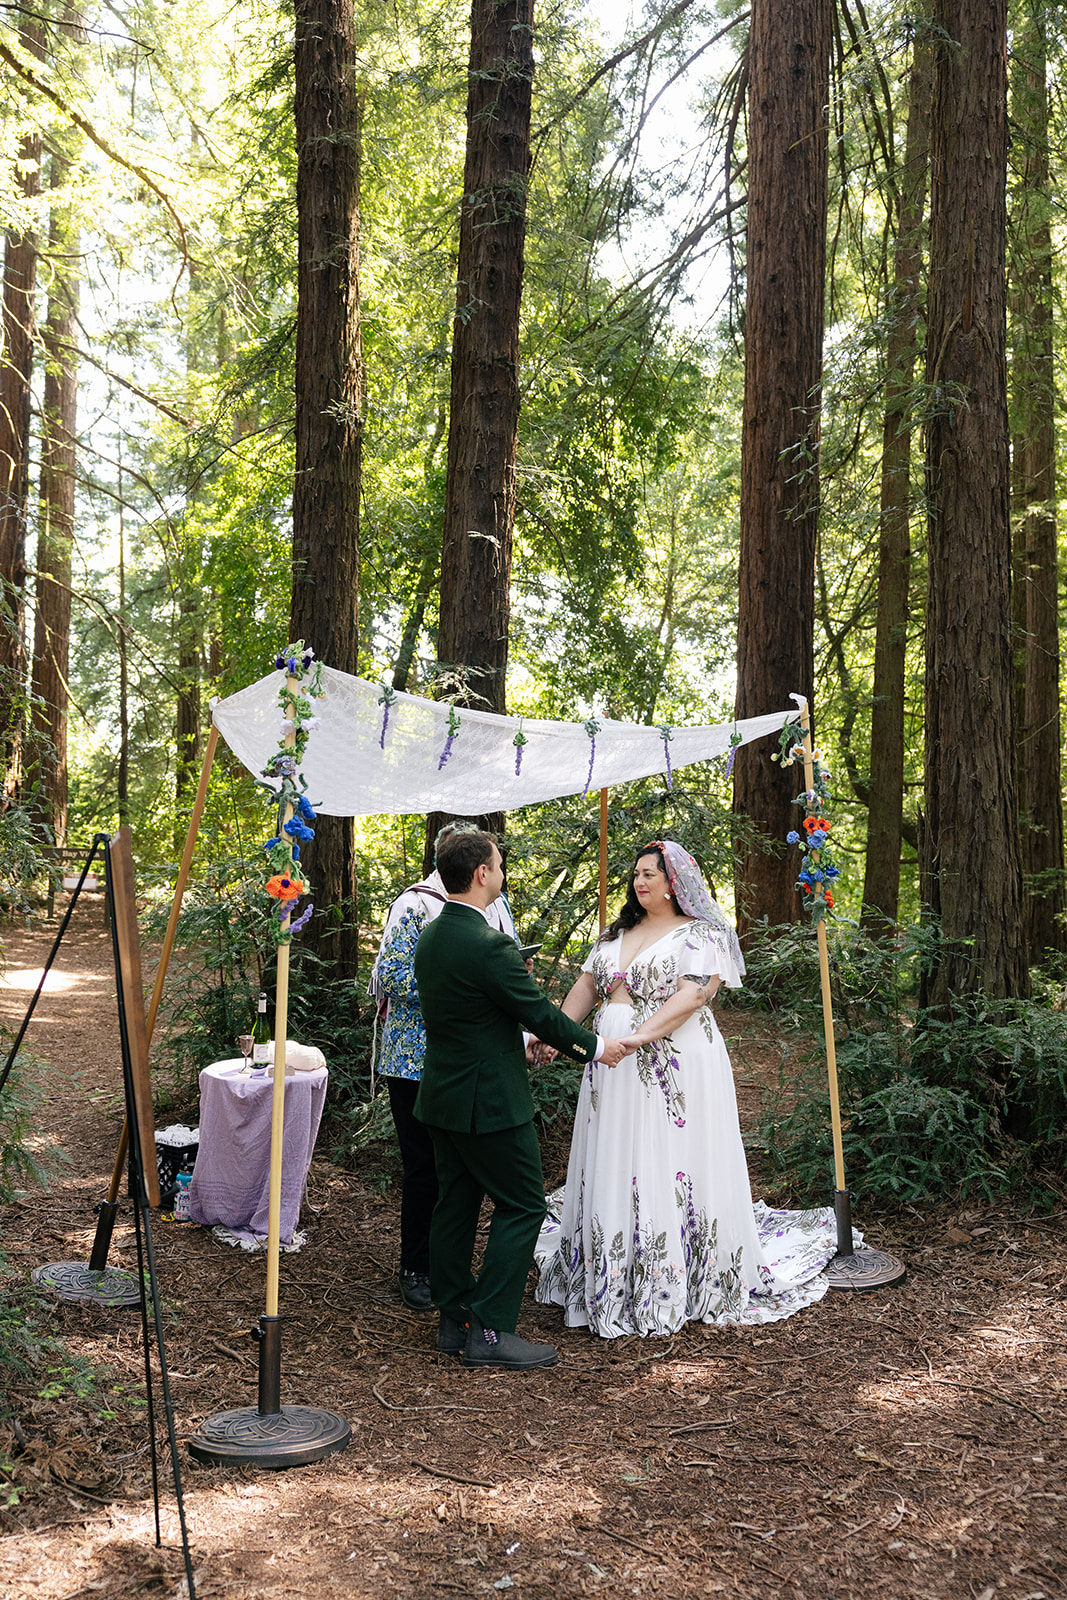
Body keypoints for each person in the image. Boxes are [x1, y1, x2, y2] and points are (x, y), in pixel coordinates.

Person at [534, 839, 839, 1338]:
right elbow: (588, 987)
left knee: (666, 1153)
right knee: (618, 1151)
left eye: (650, 874)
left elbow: (694, 994)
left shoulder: (700, 934)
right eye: (636, 874)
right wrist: (557, 1033)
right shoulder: (617, 933)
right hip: (609, 1059)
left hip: (669, 1057)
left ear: (675, 881)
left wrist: (636, 1037)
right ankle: (614, 1264)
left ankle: (670, 1271)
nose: (640, 881)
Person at [414, 829, 633, 1370]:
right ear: (482, 873)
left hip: (442, 1095)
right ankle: (490, 1331)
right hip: (487, 1102)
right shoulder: (489, 944)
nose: (503, 873)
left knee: (455, 1205)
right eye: (500, 865)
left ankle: (454, 1319)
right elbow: (536, 1011)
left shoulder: (433, 935)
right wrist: (595, 1046)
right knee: (524, 1204)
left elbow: (481, 1013)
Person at [370, 822, 518, 1312]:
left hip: (473, 1059)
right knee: (424, 1167)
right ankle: (416, 1268)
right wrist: (461, 981)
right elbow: (390, 975)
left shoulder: (495, 904)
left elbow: (504, 961)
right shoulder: (413, 905)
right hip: (416, 1058)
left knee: (461, 1171)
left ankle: (451, 1269)